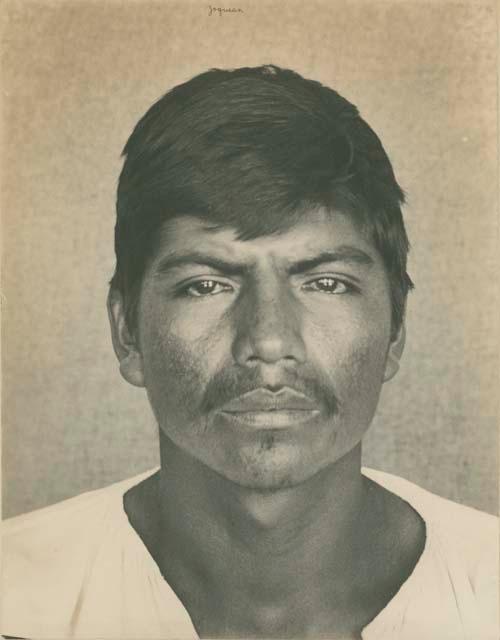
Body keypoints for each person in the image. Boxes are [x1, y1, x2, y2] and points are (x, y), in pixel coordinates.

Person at [2, 65, 498, 640]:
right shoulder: (16, 597)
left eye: (326, 282)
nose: (267, 341)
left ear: (396, 328)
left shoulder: (487, 595)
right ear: (127, 332)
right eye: (207, 285)